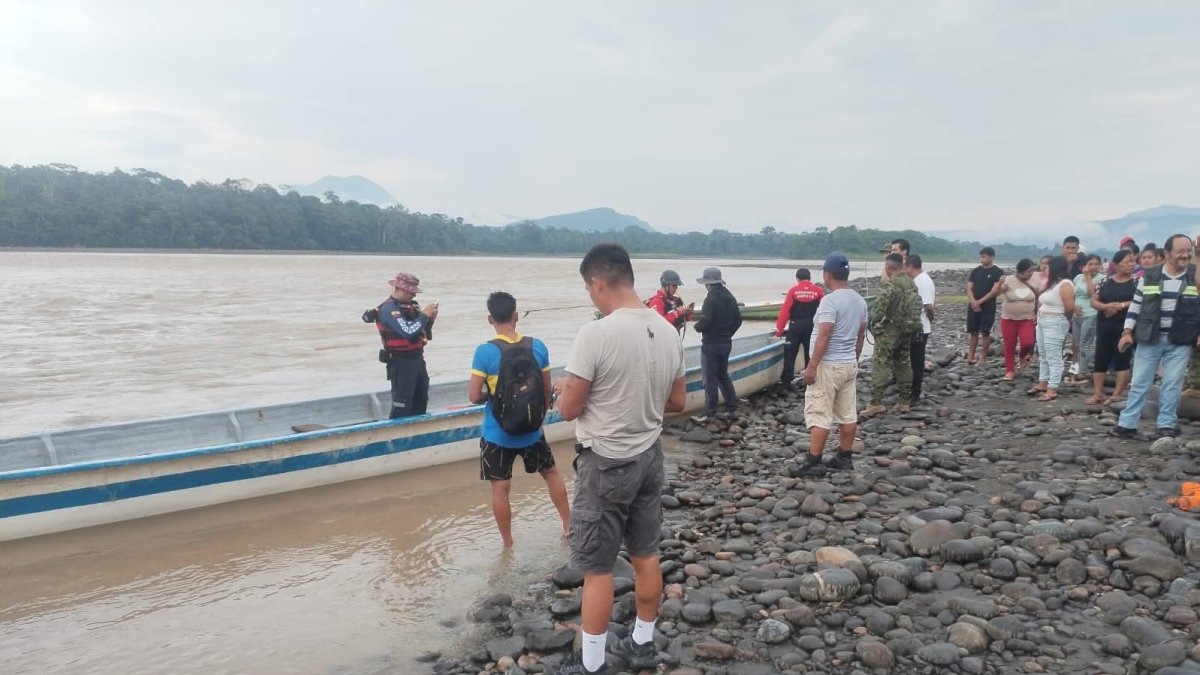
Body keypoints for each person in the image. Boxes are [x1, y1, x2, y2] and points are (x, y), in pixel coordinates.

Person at [551, 244, 686, 675]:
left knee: (597, 568)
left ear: (597, 283)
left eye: (589, 288)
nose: (591, 296)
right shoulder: (667, 329)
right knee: (645, 553)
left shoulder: (597, 334)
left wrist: (560, 391)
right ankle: (641, 643)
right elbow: (678, 400)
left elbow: (569, 410)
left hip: (605, 463)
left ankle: (591, 665)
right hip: (650, 456)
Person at [468, 291, 569, 548]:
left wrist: (490, 396)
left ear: (490, 318)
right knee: (551, 474)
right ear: (516, 316)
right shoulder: (537, 346)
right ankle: (569, 527)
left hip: (497, 433)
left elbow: (473, 396)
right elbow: (546, 391)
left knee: (500, 488)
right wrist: (538, 419)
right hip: (533, 431)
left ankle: (508, 543)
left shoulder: (484, 352)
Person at [1110, 234, 1200, 439]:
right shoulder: (1149, 275)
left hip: (1180, 339)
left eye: (1189, 250)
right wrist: (1127, 332)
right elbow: (1136, 306)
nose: (1185, 255)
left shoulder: (1195, 276)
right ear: (1167, 254)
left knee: (1173, 383)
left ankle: (1166, 423)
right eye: (1180, 251)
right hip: (1150, 337)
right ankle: (1127, 423)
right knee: (1140, 382)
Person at [790, 253, 868, 478]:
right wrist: (855, 357)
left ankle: (813, 461)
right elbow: (861, 332)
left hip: (828, 365)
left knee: (819, 412)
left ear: (827, 274)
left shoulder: (830, 301)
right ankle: (844, 456)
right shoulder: (859, 300)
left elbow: (824, 334)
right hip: (847, 364)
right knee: (847, 412)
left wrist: (812, 366)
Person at [364, 272, 437, 418]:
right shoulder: (388, 309)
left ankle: (417, 436)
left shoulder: (412, 307)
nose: (414, 296)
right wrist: (424, 315)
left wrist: (429, 320)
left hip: (418, 361)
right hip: (400, 363)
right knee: (402, 406)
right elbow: (408, 331)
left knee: (421, 401)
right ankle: (394, 436)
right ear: (401, 289)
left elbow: (423, 333)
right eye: (412, 292)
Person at [863, 254, 922, 417]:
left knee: (881, 364)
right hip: (906, 330)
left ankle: (875, 403)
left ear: (888, 267)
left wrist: (872, 321)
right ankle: (904, 402)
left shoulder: (890, 285)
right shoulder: (910, 282)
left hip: (889, 332)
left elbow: (879, 311)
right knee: (903, 363)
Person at [692, 266, 743, 421]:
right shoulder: (730, 297)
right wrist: (728, 334)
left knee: (710, 378)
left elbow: (705, 321)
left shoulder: (710, 299)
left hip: (711, 345)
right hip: (726, 343)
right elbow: (738, 320)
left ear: (708, 283)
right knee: (723, 375)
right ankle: (732, 408)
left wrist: (696, 326)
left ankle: (709, 412)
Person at [1088, 249, 1138, 404]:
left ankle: (1116, 394)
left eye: (1133, 261)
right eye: (1127, 262)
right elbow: (1093, 301)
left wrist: (1121, 306)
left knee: (1123, 359)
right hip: (1104, 325)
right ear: (1116, 265)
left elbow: (1140, 301)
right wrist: (1106, 306)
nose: (1131, 264)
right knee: (1100, 358)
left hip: (1125, 327)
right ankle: (1097, 394)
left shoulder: (1137, 282)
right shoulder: (1104, 281)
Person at [1028, 256, 1076, 402]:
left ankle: (1052, 388)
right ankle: (1043, 382)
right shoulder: (1052, 284)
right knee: (1043, 353)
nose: (1045, 269)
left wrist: (1063, 320)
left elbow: (1069, 308)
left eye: (1048, 267)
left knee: (1054, 356)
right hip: (1043, 320)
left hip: (1055, 321)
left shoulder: (1065, 284)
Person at [774, 267, 824, 387]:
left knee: (790, 354)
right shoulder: (818, 291)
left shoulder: (793, 291)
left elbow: (785, 312)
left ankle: (786, 381)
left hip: (795, 326)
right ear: (810, 278)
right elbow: (824, 311)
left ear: (797, 278)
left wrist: (779, 332)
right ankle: (810, 382)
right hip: (811, 327)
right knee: (810, 354)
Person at [998, 259, 1043, 381]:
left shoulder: (1035, 281)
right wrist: (1000, 285)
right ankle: (1010, 370)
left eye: (1033, 270)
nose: (1031, 273)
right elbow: (997, 293)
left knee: (1027, 342)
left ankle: (1022, 356)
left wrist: (1038, 312)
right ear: (1021, 270)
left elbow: (1039, 297)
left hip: (1027, 318)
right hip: (1008, 318)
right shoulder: (1009, 279)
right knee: (1009, 345)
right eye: (1029, 270)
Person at [966, 246, 1004, 365]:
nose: (981, 259)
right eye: (980, 256)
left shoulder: (997, 272)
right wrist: (973, 302)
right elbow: (969, 287)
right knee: (973, 332)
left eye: (984, 256)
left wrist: (980, 302)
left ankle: (983, 357)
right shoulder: (976, 271)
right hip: (973, 306)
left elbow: (994, 291)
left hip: (988, 306)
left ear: (991, 257)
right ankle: (971, 356)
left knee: (986, 332)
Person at [1068, 254, 1102, 384]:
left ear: (1100, 265)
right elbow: (1073, 294)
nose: (1093, 267)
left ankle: (1083, 371)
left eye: (1095, 264)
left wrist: (1088, 277)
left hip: (1091, 314)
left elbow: (1092, 294)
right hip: (1077, 315)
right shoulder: (1077, 278)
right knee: (1076, 343)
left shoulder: (1102, 279)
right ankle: (1077, 365)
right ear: (1084, 266)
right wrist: (1073, 306)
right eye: (1090, 264)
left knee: (1085, 343)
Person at [906, 255, 936, 405]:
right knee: (912, 359)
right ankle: (910, 389)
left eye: (906, 267)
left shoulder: (922, 282)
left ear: (910, 266)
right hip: (915, 325)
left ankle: (915, 393)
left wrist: (930, 318)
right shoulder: (919, 280)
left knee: (917, 361)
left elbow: (928, 305)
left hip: (920, 327)